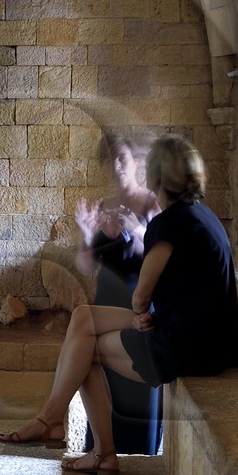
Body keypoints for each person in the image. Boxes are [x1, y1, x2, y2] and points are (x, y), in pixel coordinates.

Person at [0, 135, 238, 475]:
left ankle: (83, 441)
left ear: (155, 176)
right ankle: (56, 425)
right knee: (82, 318)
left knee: (85, 348)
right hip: (206, 336)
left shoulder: (170, 221)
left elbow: (142, 294)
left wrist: (139, 298)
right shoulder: (203, 214)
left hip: (188, 346)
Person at [73, 134, 163, 455]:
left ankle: (139, 450)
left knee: (136, 373)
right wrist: (86, 235)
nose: (116, 165)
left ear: (136, 164)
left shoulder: (152, 203)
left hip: (139, 301)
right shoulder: (104, 207)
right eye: (110, 159)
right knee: (101, 370)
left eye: (122, 158)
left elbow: (160, 253)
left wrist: (136, 230)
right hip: (106, 299)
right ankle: (102, 446)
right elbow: (86, 266)